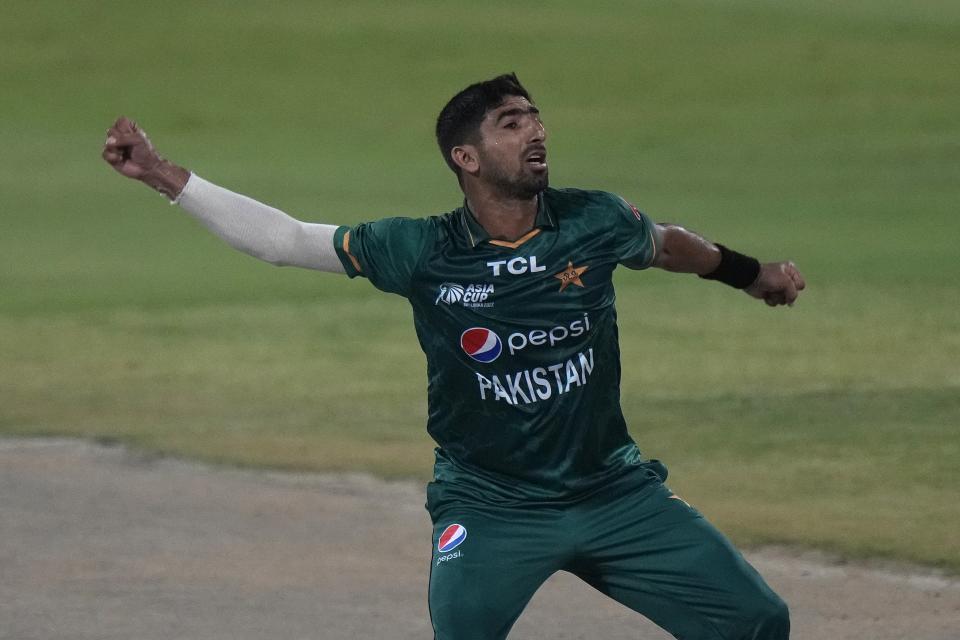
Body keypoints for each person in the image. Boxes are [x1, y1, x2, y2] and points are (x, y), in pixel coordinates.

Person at [103, 73, 804, 640]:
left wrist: (749, 274)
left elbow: (669, 243)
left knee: (757, 621)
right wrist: (162, 173)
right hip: (492, 504)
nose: (536, 131)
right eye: (511, 123)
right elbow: (283, 240)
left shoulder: (595, 220)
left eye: (535, 118)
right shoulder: (422, 249)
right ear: (464, 158)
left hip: (613, 493)